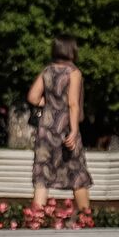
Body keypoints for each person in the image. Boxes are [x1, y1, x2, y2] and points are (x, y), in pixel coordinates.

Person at [28, 35, 92, 210]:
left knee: (42, 176)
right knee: (77, 174)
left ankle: (36, 219)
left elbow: (33, 97)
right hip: (65, 128)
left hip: (46, 129)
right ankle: (86, 218)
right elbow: (73, 104)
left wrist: (50, 105)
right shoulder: (74, 73)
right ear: (71, 50)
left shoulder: (46, 71)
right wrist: (74, 131)